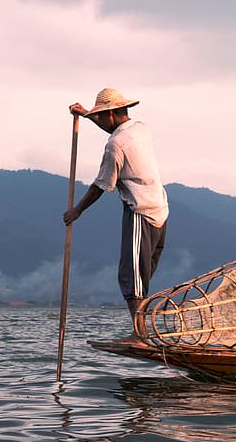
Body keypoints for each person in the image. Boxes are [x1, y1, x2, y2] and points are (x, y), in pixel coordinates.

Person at [64, 87, 169, 337]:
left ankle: (140, 333)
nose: (99, 121)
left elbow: (102, 185)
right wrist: (88, 114)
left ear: (111, 115)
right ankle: (143, 329)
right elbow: (112, 124)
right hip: (161, 210)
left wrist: (76, 211)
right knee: (142, 275)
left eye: (101, 117)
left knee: (131, 277)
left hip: (140, 211)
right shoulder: (140, 128)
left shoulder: (115, 146)